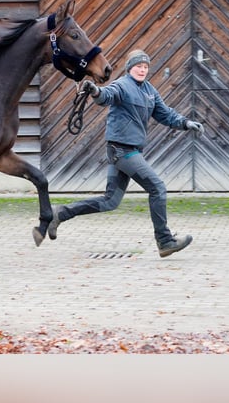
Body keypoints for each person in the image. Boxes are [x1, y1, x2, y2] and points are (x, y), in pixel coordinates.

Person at [48, 49, 204, 258]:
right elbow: (106, 95)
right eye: (138, 66)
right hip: (122, 151)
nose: (142, 69)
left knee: (110, 201)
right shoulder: (122, 85)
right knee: (157, 188)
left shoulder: (150, 91)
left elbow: (165, 114)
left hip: (129, 150)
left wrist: (186, 123)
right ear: (130, 68)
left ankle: (60, 214)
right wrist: (95, 91)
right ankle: (165, 241)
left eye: (145, 66)